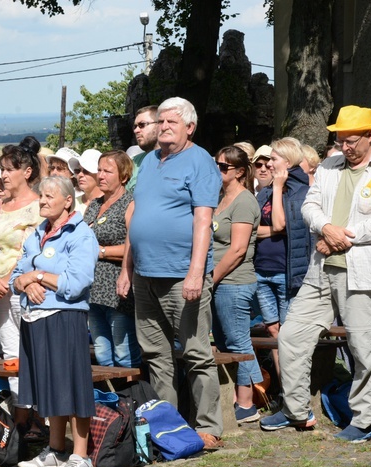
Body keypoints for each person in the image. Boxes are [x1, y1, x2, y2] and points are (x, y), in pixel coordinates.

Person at [260, 105, 371, 443]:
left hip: (363, 272)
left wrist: (342, 237)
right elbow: (310, 207)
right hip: (320, 269)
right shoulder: (328, 165)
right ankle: (297, 411)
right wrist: (327, 228)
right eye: (341, 140)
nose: (345, 147)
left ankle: (366, 421)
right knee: (291, 336)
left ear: (370, 136)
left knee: (363, 346)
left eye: (352, 140)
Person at [117, 96, 224, 448]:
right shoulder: (148, 161)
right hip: (145, 274)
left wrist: (196, 273)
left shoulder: (200, 161)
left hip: (181, 275)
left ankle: (208, 426)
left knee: (195, 353)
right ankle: (168, 425)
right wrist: (127, 268)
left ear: (189, 127)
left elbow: (203, 220)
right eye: (160, 121)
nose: (163, 127)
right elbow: (137, 216)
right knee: (155, 355)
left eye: (171, 122)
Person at [13, 176, 99, 467]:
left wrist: (36, 276)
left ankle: (82, 457)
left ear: (67, 201)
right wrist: (26, 281)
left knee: (72, 386)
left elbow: (76, 283)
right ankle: (55, 449)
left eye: (50, 196)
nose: (43, 200)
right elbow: (17, 275)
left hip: (65, 316)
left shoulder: (81, 234)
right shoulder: (37, 233)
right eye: (41, 196)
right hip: (34, 316)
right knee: (50, 387)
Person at [0, 137, 42, 425]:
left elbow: (30, 249)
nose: (2, 175)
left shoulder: (38, 207)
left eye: (8, 169)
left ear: (26, 172)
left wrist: (4, 281)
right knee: (11, 355)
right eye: (1, 169)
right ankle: (21, 418)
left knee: (34, 353)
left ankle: (44, 419)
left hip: (24, 290)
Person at [210, 146, 263, 424]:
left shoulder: (244, 201)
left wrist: (210, 278)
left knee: (238, 342)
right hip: (220, 281)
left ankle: (247, 403)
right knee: (222, 343)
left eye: (223, 167)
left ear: (240, 172)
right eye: (215, 164)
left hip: (234, 281)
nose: (217, 170)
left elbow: (238, 249)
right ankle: (232, 399)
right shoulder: (221, 198)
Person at [254, 137, 311, 382]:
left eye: (273, 159)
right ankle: (282, 387)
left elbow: (279, 222)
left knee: (288, 334)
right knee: (273, 330)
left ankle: (294, 391)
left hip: (285, 271)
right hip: (261, 268)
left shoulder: (298, 191)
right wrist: (276, 230)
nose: (268, 164)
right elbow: (250, 228)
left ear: (287, 163)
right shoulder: (264, 192)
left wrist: (278, 188)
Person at [83, 151, 140, 368]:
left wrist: (101, 252)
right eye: (99, 170)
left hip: (118, 289)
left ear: (124, 176)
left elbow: (134, 243)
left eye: (108, 171)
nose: (101, 175)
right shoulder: (94, 204)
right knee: (102, 354)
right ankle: (110, 400)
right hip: (93, 290)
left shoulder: (130, 203)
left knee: (124, 353)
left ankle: (133, 398)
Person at [126, 105, 159, 192]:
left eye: (142, 125)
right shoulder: (132, 164)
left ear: (159, 125)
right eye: (135, 126)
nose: (136, 130)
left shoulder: (178, 161)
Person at [68, 149, 103, 214]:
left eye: (86, 171)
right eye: (78, 170)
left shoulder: (109, 203)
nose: (80, 175)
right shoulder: (72, 204)